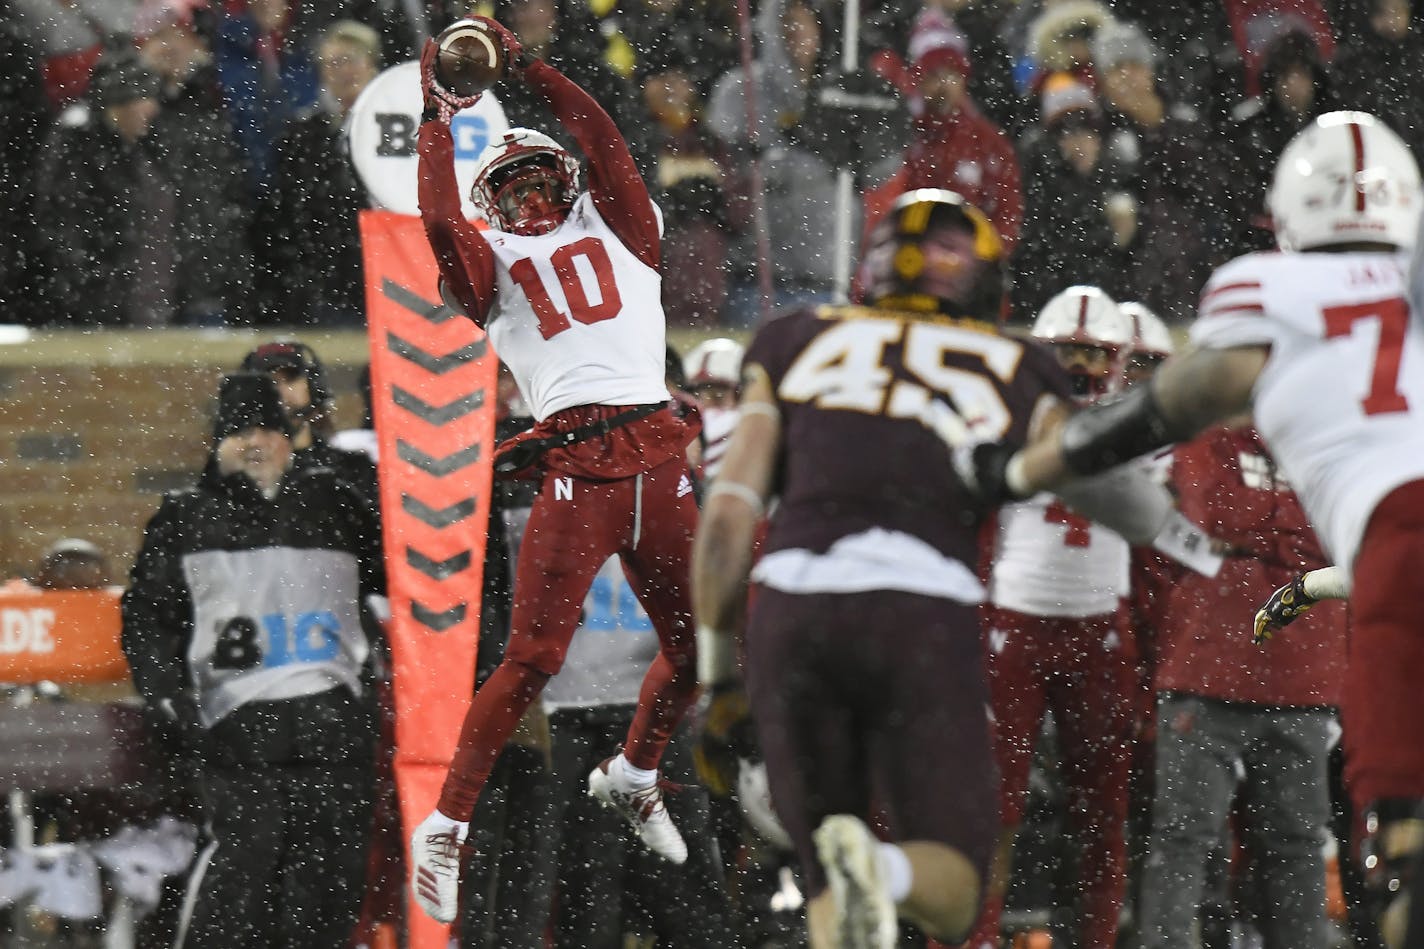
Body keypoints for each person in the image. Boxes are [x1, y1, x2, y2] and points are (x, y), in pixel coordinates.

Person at [958, 110, 1424, 949]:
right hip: (1335, 581)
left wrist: (1029, 467)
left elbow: (1181, 404)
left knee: (1387, 832)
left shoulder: (1266, 292)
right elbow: (1205, 520)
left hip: (1388, 548)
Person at [691, 189, 1200, 949]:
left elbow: (728, 518)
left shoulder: (794, 337)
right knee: (956, 878)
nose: (1088, 364)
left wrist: (717, 680)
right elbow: (1125, 512)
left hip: (794, 608)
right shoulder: (1013, 366)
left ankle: (857, 876)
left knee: (833, 858)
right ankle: (891, 875)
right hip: (926, 613)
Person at [410, 15, 702, 924]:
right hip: (577, 453)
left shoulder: (626, 226)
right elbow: (435, 216)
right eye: (513, 182)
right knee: (534, 654)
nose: (532, 192)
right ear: (493, 199)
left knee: (708, 645)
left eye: (542, 175)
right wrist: (434, 119)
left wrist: (529, 64)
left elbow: (603, 136)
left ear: (567, 182)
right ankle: (447, 823)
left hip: (655, 443)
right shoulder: (488, 266)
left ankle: (635, 771)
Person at [120, 371, 384, 949]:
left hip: (332, 724)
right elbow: (148, 616)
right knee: (244, 869)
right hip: (236, 728)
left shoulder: (336, 502)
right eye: (238, 431)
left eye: (267, 427)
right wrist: (169, 696)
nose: (254, 441)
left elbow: (398, 579)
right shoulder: (184, 518)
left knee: (329, 878)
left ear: (291, 438)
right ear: (217, 444)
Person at [1137, 420, 1347, 949]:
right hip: (1208, 673)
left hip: (1296, 681)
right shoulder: (1209, 434)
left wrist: (1253, 533)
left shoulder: (1327, 438)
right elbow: (1214, 513)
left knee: (1294, 847)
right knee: (1185, 841)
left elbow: (1343, 535)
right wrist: (1296, 532)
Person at [239, 340, 379, 507]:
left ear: (312, 386)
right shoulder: (237, 478)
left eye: (290, 378)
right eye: (269, 381)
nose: (280, 391)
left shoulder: (353, 469)